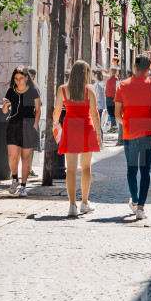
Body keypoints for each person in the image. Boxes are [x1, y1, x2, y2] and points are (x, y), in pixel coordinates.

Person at [114, 53, 151, 220]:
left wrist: (127, 124)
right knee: (145, 169)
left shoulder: (123, 85)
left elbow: (117, 114)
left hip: (130, 133)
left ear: (135, 67)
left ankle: (135, 201)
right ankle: (141, 208)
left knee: (131, 169)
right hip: (148, 134)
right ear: (147, 68)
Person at [52, 60, 103, 216]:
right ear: (86, 74)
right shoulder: (90, 89)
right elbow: (94, 113)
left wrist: (55, 125)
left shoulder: (63, 89)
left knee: (71, 169)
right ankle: (85, 203)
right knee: (86, 167)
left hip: (70, 128)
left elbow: (57, 112)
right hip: (86, 128)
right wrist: (99, 133)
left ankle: (72, 205)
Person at [1, 66, 40, 197]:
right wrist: (6, 106)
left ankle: (23, 186)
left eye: (21, 78)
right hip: (13, 125)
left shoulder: (33, 91)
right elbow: (4, 111)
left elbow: (38, 109)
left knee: (25, 158)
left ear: (26, 78)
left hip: (29, 124)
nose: (18, 81)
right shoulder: (11, 92)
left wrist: (35, 124)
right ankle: (15, 180)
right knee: (12, 157)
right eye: (16, 78)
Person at [104, 66, 119, 133]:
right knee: (113, 112)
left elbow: (103, 75)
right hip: (114, 97)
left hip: (109, 97)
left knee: (110, 112)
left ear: (111, 71)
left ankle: (114, 126)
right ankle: (113, 126)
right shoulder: (116, 79)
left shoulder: (108, 78)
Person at [93, 67, 108, 132]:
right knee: (98, 124)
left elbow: (98, 96)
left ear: (95, 75)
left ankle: (99, 138)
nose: (91, 76)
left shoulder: (98, 84)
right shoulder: (100, 83)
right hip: (100, 106)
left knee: (97, 124)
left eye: (92, 74)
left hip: (98, 106)